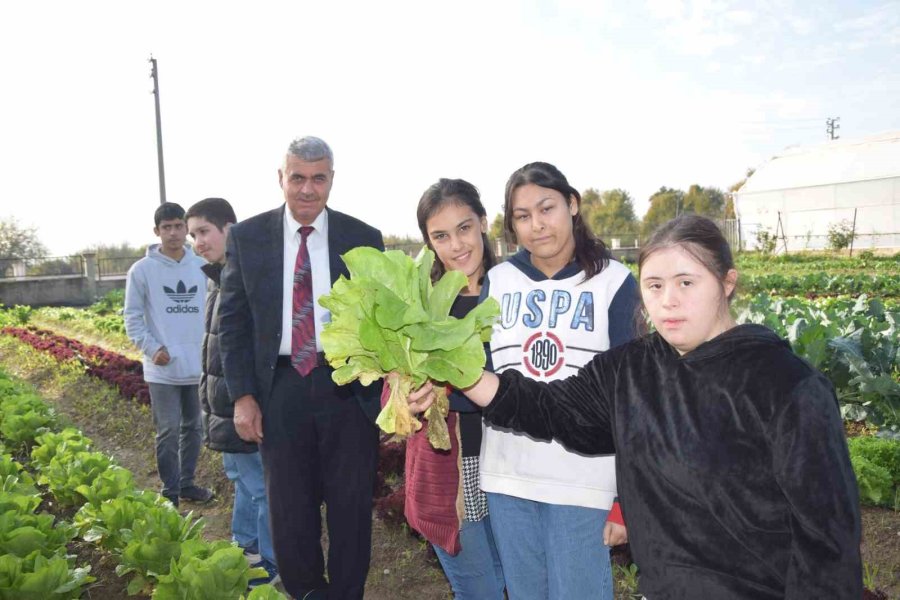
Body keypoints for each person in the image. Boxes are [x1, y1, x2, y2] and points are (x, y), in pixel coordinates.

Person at [412, 214, 863, 599]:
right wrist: (465, 373)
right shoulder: (631, 370)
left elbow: (828, 544)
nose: (668, 300)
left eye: (687, 282)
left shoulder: (786, 386)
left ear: (727, 283)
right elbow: (550, 409)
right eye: (655, 284)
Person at [218, 136, 384, 600]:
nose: (307, 189)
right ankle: (307, 593)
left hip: (347, 386)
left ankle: (347, 593)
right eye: (298, 178)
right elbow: (232, 322)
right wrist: (243, 397)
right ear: (281, 178)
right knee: (289, 507)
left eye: (318, 178)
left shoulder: (363, 239)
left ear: (332, 179)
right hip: (280, 388)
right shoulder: (249, 238)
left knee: (351, 504)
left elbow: (382, 319)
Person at [471, 162, 635, 599]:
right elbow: (478, 379)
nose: (537, 225)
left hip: (585, 479)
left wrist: (625, 500)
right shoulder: (499, 281)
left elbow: (629, 399)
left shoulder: (614, 283)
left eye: (547, 208)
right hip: (508, 476)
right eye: (522, 216)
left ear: (573, 205)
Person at [398, 178, 505, 598]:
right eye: (440, 236)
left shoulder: (517, 292)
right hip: (452, 475)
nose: (457, 245)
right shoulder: (418, 307)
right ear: (428, 242)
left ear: (483, 222)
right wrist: (406, 399)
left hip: (517, 469)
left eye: (464, 228)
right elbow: (392, 392)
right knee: (480, 592)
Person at [185, 198, 279, 588]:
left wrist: (248, 402)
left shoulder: (247, 278)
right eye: (193, 235)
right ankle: (245, 546)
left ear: (229, 229)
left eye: (204, 232)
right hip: (224, 407)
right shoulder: (217, 277)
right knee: (245, 481)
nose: (197, 242)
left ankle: (270, 563)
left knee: (262, 488)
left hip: (243, 407)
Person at [124, 201, 213, 507]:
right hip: (162, 366)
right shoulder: (142, 270)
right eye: (167, 227)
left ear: (186, 228)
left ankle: (187, 483)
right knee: (168, 431)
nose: (174, 233)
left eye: (179, 226)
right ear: (156, 231)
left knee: (194, 427)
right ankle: (169, 491)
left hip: (197, 364)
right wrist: (152, 348)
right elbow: (132, 316)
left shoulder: (202, 265)